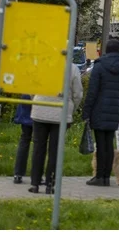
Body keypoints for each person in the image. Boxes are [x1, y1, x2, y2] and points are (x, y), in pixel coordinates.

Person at [30, 64, 83, 194]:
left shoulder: (42, 64)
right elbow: (78, 94)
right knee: (55, 150)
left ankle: (35, 184)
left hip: (40, 109)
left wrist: (36, 100)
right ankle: (50, 184)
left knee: (38, 148)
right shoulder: (72, 68)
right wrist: (71, 109)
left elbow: (31, 87)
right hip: (61, 112)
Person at [84, 39, 119, 187]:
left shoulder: (99, 66)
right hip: (114, 110)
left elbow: (92, 91)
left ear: (106, 50)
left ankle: (99, 177)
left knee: (101, 144)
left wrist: (86, 111)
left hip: (98, 110)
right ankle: (106, 177)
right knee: (109, 144)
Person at [12, 98, 34, 184]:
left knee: (25, 140)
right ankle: (36, 175)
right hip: (39, 106)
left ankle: (18, 174)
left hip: (26, 105)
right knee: (39, 143)